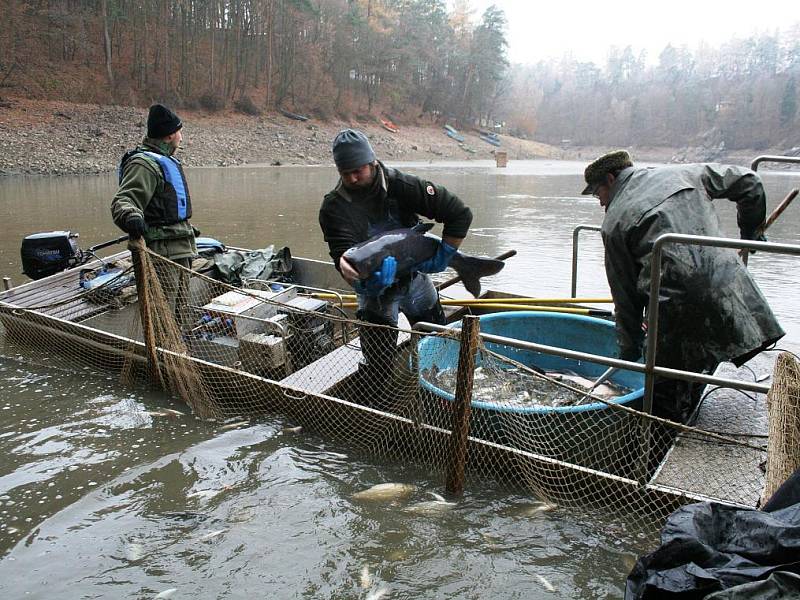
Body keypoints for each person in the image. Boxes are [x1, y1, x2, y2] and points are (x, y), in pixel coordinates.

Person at [582, 150, 784, 423]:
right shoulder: (683, 172)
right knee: (700, 360)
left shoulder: (614, 221)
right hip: (729, 286)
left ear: (610, 178)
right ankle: (690, 412)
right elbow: (750, 182)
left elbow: (625, 296)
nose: (600, 202)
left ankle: (663, 439)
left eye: (598, 194)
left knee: (664, 393)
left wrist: (629, 351)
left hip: (674, 308)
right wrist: (750, 233)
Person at [318, 129, 473, 391]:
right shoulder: (334, 207)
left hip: (416, 278)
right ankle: (378, 397)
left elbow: (460, 213)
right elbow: (343, 257)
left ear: (373, 163)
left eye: (359, 170)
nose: (353, 178)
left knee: (437, 343)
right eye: (346, 173)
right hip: (374, 288)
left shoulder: (404, 186)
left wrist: (445, 255)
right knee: (377, 365)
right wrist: (364, 285)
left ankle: (440, 389)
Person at [111, 103, 197, 323]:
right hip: (161, 254)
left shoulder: (164, 161)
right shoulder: (144, 164)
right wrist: (131, 217)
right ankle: (163, 355)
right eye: (179, 132)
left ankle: (180, 351)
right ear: (169, 136)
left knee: (181, 313)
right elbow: (124, 201)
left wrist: (185, 230)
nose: (181, 137)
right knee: (163, 316)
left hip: (180, 248)